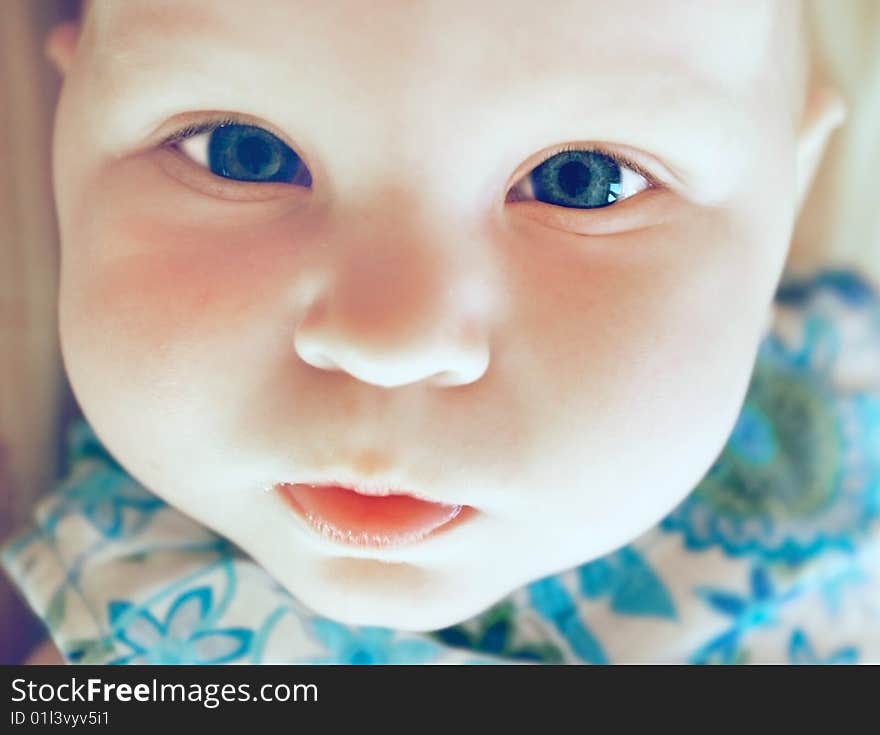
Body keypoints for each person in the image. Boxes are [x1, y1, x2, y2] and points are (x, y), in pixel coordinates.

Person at [3, 0, 878, 664]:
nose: (390, 344)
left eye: (585, 182)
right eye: (241, 152)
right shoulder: (131, 639)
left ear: (787, 193)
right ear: (60, 128)